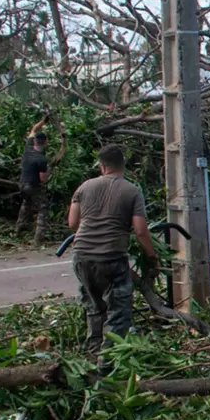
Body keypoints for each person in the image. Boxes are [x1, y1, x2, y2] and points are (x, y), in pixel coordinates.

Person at [68, 144, 158, 373]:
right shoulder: (132, 190)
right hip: (111, 258)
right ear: (123, 165)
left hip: (81, 257)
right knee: (118, 314)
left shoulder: (84, 187)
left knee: (94, 307)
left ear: (102, 166)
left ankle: (92, 356)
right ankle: (106, 367)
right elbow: (140, 231)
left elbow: (72, 224)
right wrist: (152, 256)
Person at [17, 131, 51, 244]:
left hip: (22, 184)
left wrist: (43, 121)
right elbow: (43, 179)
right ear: (45, 142)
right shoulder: (42, 159)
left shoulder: (28, 149)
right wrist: (49, 170)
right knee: (43, 207)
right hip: (32, 186)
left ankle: (18, 230)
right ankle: (39, 238)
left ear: (35, 140)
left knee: (26, 203)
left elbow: (34, 129)